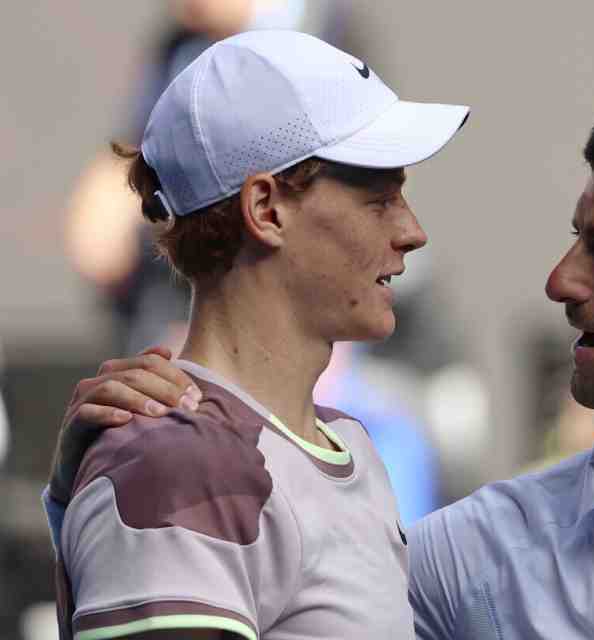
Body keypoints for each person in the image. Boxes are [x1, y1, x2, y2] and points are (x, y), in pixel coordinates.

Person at [48, 88, 594, 637]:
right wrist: (91, 487)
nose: (560, 281)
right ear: (263, 210)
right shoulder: (461, 556)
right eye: (573, 239)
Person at [47, 29, 468, 640]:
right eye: (380, 199)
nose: (412, 231)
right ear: (266, 209)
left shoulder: (349, 445)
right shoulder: (178, 463)